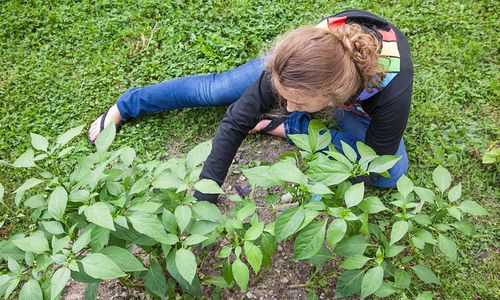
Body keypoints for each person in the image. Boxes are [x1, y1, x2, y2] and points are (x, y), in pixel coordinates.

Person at [87, 9, 413, 204]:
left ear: (330, 100)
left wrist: (317, 196)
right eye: (283, 95)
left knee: (389, 173)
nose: (284, 104)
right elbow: (235, 121)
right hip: (316, 63)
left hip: (360, 92)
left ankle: (292, 128)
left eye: (296, 102)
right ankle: (129, 103)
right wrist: (205, 196)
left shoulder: (391, 97)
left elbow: (373, 166)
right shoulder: (293, 68)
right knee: (215, 91)